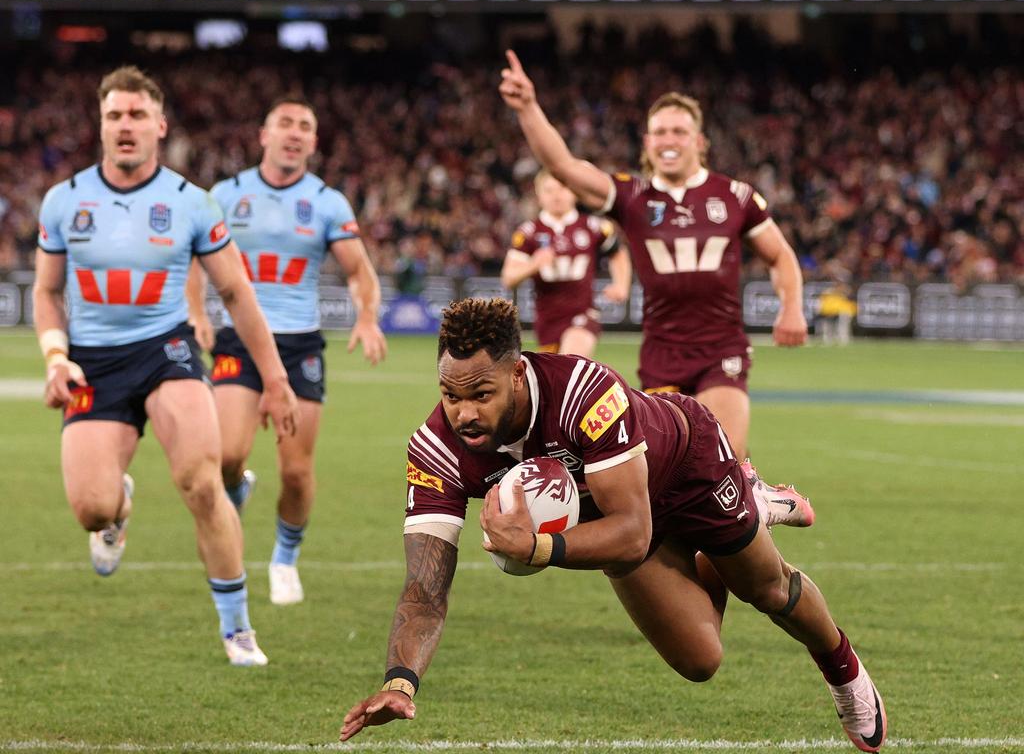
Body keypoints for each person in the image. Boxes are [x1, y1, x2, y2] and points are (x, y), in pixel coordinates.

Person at [340, 298, 884, 753]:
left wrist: (537, 548)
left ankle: (842, 667)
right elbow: (425, 588)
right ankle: (719, 540)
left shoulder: (582, 391)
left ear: (518, 372)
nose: (464, 414)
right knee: (700, 662)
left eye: (481, 395)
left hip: (686, 464)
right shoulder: (434, 451)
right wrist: (400, 681)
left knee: (764, 587)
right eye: (450, 395)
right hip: (612, 518)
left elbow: (633, 534)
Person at [33, 66, 298, 666]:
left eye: (136, 115)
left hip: (168, 351)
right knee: (90, 509)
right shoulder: (64, 201)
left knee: (202, 484)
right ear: (100, 125)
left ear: (160, 125)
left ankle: (237, 629)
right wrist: (56, 355)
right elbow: (47, 293)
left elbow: (237, 294)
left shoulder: (191, 203)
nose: (125, 126)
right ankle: (117, 509)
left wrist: (275, 378)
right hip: (93, 362)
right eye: (114, 116)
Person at [498, 50, 808, 459]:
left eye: (679, 131)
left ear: (698, 141)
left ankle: (754, 501)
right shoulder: (632, 196)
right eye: (659, 132)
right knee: (667, 473)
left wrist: (792, 308)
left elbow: (781, 256)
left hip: (721, 349)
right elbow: (563, 166)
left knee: (724, 459)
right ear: (647, 142)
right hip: (661, 353)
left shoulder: (734, 196)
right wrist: (529, 108)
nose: (668, 140)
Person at [187, 97, 387, 606]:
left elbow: (359, 270)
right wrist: (195, 311)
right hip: (238, 339)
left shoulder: (327, 202)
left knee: (296, 471)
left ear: (313, 143)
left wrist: (366, 316)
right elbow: (191, 258)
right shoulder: (226, 195)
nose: (294, 133)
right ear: (264, 134)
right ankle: (238, 488)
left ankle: (284, 558)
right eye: (285, 124)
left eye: (305, 127)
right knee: (227, 455)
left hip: (299, 346)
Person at [500, 169, 632, 357]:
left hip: (583, 313)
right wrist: (534, 265)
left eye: (562, 188)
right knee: (557, 378)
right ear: (539, 195)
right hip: (547, 321)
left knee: (572, 359)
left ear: (574, 192)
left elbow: (618, 252)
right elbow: (508, 278)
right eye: (549, 190)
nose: (556, 195)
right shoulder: (529, 232)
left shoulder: (593, 226)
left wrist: (621, 284)